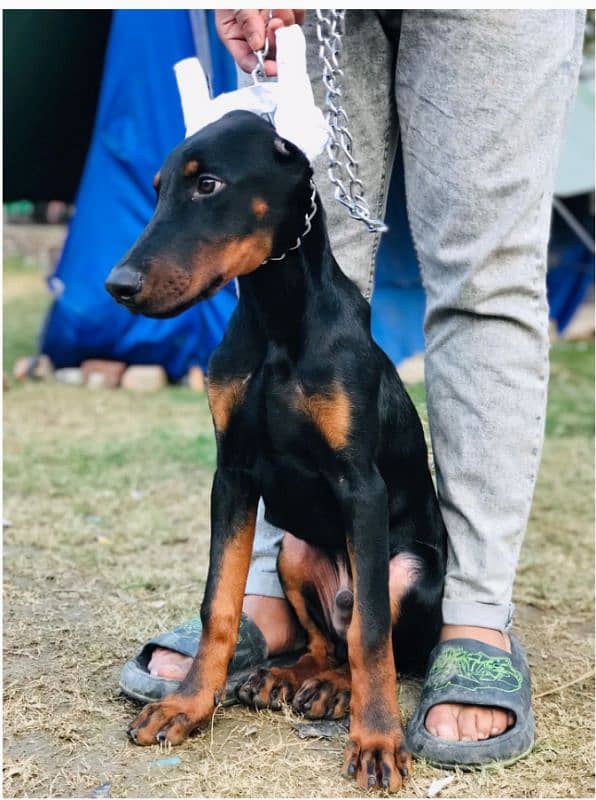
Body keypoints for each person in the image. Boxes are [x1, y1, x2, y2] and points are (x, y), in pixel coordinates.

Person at [120, 9, 585, 766]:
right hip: (313, 14)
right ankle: (271, 623)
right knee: (313, 245)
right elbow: (231, 481)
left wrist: (371, 686)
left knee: (485, 273)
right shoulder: (232, 358)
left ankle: (466, 620)